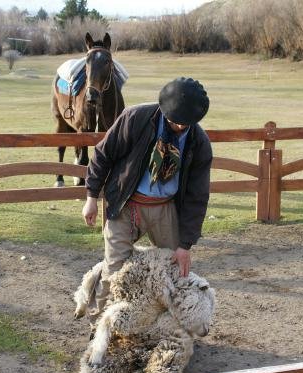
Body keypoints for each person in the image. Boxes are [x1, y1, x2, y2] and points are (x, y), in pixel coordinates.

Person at [82, 77, 211, 321]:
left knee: (176, 270)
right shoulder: (136, 118)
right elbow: (102, 155)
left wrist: (185, 245)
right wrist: (91, 197)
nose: (181, 127)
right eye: (176, 121)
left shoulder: (198, 142)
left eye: (187, 123)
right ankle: (99, 324)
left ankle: (164, 327)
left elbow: (198, 196)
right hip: (126, 202)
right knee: (115, 271)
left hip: (165, 208)